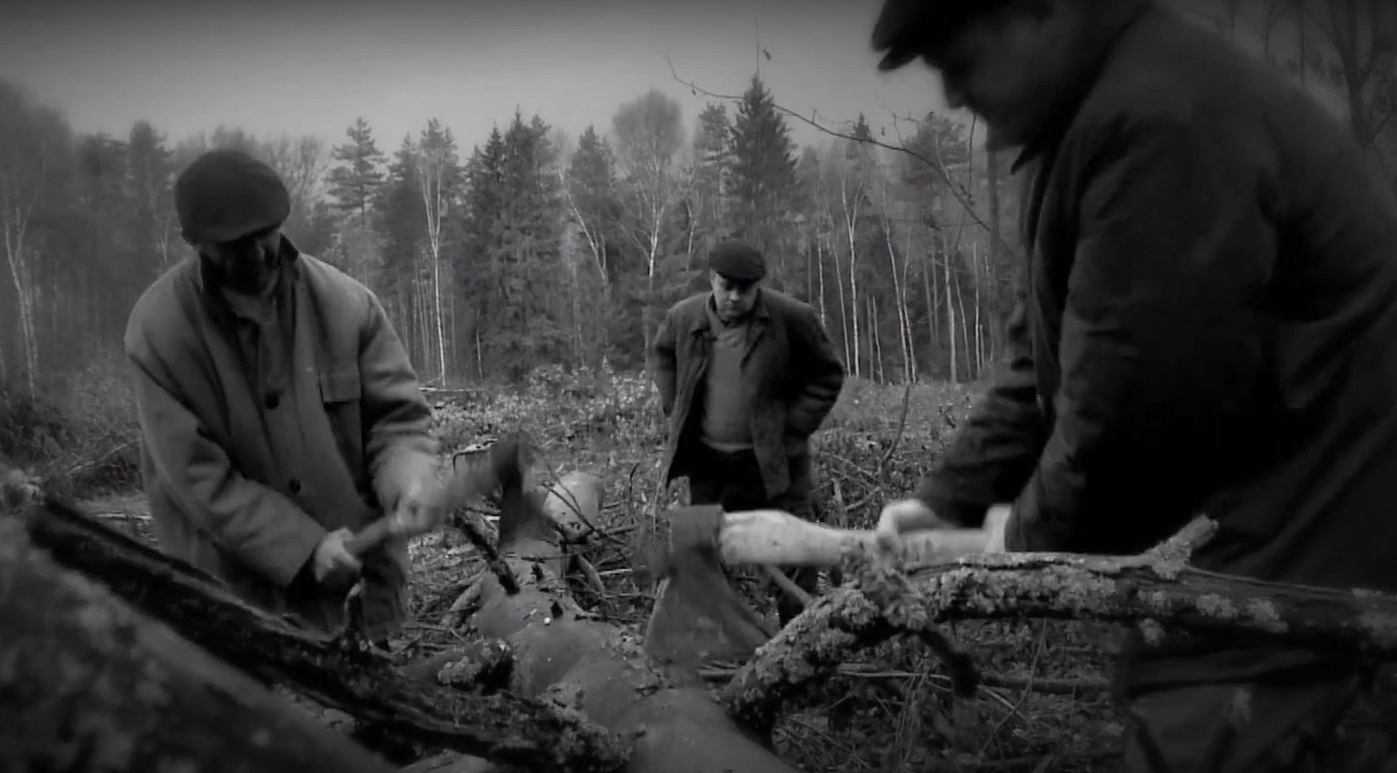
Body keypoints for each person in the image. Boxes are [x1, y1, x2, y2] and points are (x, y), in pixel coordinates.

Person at [868, 0, 1397, 770]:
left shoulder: (1158, 121)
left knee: (1219, 736)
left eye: (960, 62)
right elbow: (1041, 359)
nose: (951, 96)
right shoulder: (1094, 116)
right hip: (1261, 531)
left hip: (1307, 541)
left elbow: (1131, 406)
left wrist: (1016, 541)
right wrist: (947, 497)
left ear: (1037, 13)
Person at [124, 148, 445, 648]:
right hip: (239, 610)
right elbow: (201, 480)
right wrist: (304, 549)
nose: (255, 255)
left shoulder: (347, 305)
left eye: (264, 236)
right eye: (234, 245)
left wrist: (409, 481)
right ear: (195, 243)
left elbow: (397, 422)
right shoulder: (159, 334)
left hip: (363, 597)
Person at [649, 240, 846, 624]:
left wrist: (791, 430)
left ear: (758, 286)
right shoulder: (683, 318)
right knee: (704, 557)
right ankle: (720, 646)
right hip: (711, 467)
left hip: (773, 468)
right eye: (727, 287)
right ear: (712, 279)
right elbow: (663, 355)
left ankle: (800, 644)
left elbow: (828, 374)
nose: (735, 297)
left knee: (792, 557)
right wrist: (676, 405)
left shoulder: (792, 317)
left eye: (746, 289)